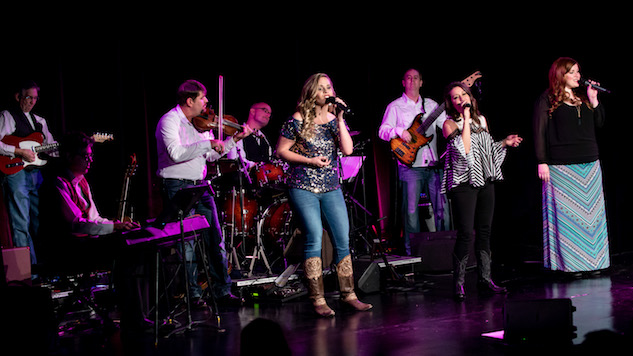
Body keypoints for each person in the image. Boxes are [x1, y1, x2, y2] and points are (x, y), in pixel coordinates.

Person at [276, 73, 371, 317]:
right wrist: (309, 160)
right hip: (303, 185)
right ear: (312, 94)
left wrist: (339, 119)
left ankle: (349, 294)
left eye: (329, 87)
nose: (327, 91)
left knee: (342, 236)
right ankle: (317, 298)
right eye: (321, 88)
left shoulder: (332, 120)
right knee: (314, 236)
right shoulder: (296, 120)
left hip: (331, 186)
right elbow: (282, 151)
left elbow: (348, 149)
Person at [155, 79, 251, 306]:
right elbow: (176, 154)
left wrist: (231, 141)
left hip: (200, 185)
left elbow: (210, 156)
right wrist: (208, 145)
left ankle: (222, 292)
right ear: (190, 101)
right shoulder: (169, 121)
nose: (207, 102)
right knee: (186, 244)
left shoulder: (201, 124)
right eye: (203, 98)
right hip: (177, 186)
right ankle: (193, 296)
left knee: (214, 239)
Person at [441, 82, 522, 301]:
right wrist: (466, 119)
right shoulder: (448, 124)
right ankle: (458, 284)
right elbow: (465, 149)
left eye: (463, 95)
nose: (460, 100)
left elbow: (486, 151)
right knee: (466, 233)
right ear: (451, 102)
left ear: (470, 96)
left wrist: (504, 143)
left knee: (484, 230)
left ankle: (485, 279)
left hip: (484, 179)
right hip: (463, 183)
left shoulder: (482, 120)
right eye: (455, 97)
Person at [533, 57, 609, 275]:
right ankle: (571, 265)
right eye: (573, 72)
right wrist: (542, 162)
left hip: (590, 163)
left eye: (578, 71)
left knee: (591, 218)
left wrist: (594, 100)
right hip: (562, 167)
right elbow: (539, 132)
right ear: (560, 75)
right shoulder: (547, 100)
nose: (579, 76)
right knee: (567, 220)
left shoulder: (583, 98)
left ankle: (594, 263)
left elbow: (599, 123)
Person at [378, 68, 450, 256]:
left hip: (433, 166)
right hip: (410, 167)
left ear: (421, 82)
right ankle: (413, 254)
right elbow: (383, 130)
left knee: (443, 210)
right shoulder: (395, 106)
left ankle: (446, 250)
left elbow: (446, 127)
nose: (412, 81)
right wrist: (399, 131)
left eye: (415, 78)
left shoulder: (432, 105)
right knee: (411, 213)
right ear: (403, 82)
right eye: (408, 78)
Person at [0, 80, 56, 270]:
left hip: (35, 175)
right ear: (18, 96)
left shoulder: (40, 121)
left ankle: (39, 267)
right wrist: (19, 151)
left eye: (35, 98)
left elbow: (51, 148)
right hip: (16, 172)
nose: (32, 101)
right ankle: (25, 272)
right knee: (20, 223)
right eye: (28, 97)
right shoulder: (8, 116)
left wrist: (70, 145)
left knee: (38, 222)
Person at [227, 102, 273, 169]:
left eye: (270, 113)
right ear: (253, 111)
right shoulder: (237, 132)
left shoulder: (265, 140)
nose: (268, 115)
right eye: (265, 110)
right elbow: (234, 160)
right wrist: (255, 167)